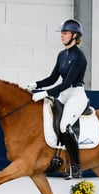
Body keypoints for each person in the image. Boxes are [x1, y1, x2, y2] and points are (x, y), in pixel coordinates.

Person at [27, 19, 89, 179]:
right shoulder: (62, 54)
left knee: (63, 126)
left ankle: (76, 167)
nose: (62, 36)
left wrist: (46, 93)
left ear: (75, 36)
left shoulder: (79, 57)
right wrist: (36, 84)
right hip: (63, 94)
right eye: (62, 33)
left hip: (76, 95)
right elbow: (53, 78)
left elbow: (68, 82)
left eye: (65, 33)